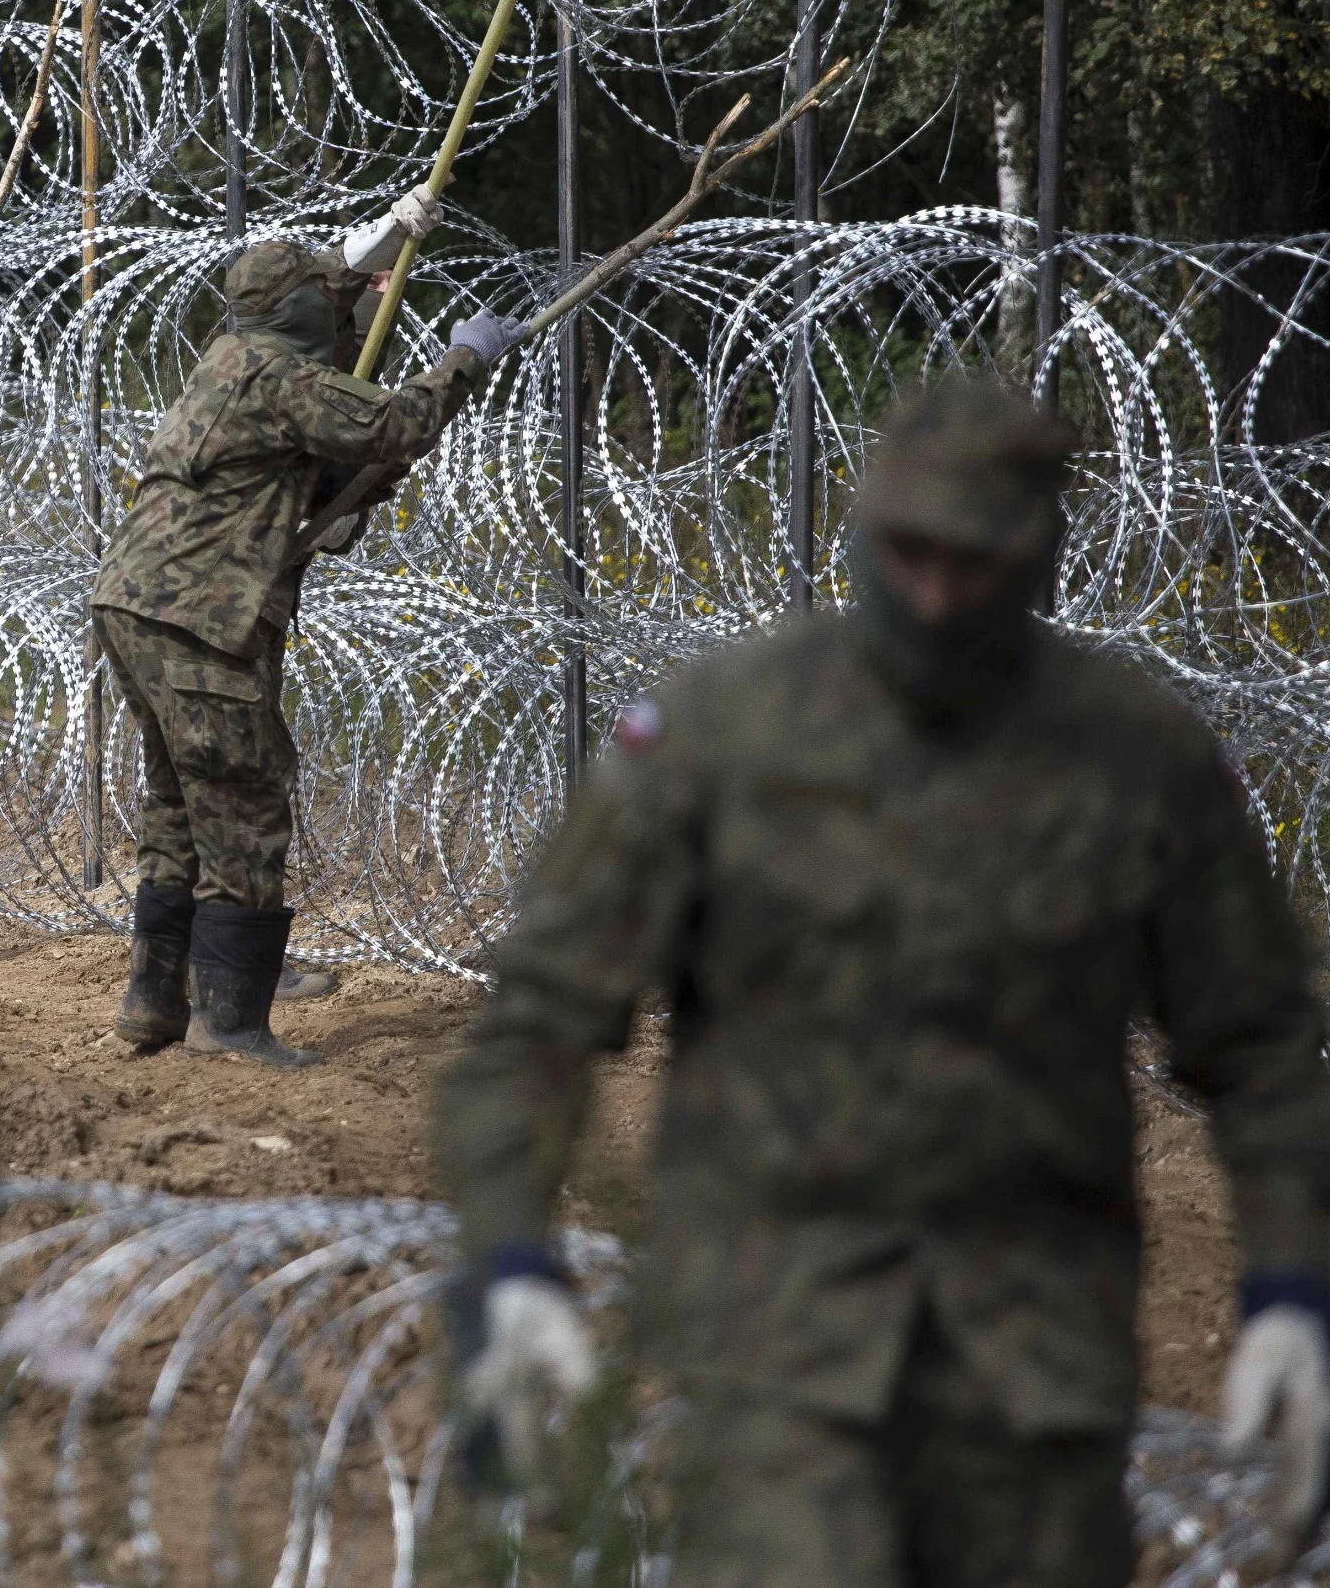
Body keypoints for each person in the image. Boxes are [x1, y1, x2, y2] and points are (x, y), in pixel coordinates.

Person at [431, 377, 1330, 1584]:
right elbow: (536, 1021)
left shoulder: (1136, 759)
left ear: (1035, 552)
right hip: (779, 1348)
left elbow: (1261, 1047)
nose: (936, 591)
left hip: (1034, 1365)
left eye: (974, 560)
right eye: (907, 551)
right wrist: (506, 1263)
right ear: (864, 530)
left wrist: (1289, 1284)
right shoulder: (724, 736)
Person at [87, 188, 516, 1068]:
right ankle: (230, 1024)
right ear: (297, 310)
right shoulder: (282, 379)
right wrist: (465, 360)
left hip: (135, 604)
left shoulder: (232, 357)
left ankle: (153, 1004)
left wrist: (381, 249)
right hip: (201, 616)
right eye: (327, 296)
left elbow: (311, 434)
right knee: (244, 802)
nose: (340, 301)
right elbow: (395, 425)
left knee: (179, 800)